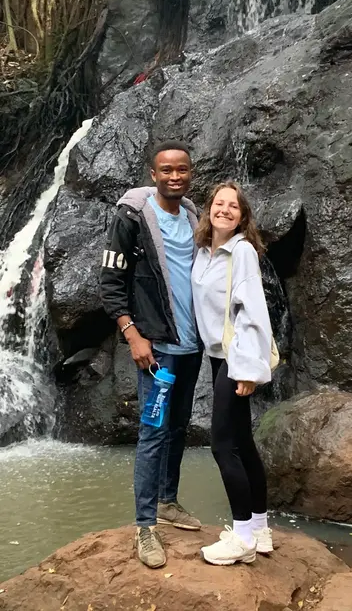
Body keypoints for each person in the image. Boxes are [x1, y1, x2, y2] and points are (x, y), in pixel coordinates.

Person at [100, 141, 203, 569]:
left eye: (182, 169)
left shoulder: (195, 216)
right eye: (166, 170)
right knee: (153, 432)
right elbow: (110, 283)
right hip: (156, 347)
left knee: (178, 426)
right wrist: (133, 335)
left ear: (190, 173)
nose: (174, 176)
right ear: (153, 174)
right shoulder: (131, 217)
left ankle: (167, 501)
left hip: (192, 344)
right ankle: (145, 526)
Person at [192, 181, 274, 566]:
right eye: (219, 203)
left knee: (222, 445)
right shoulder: (204, 252)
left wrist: (246, 370)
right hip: (217, 355)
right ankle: (259, 528)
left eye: (233, 206)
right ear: (209, 208)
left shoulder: (241, 251)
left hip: (235, 356)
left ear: (243, 217)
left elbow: (254, 313)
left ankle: (241, 538)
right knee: (242, 441)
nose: (224, 210)